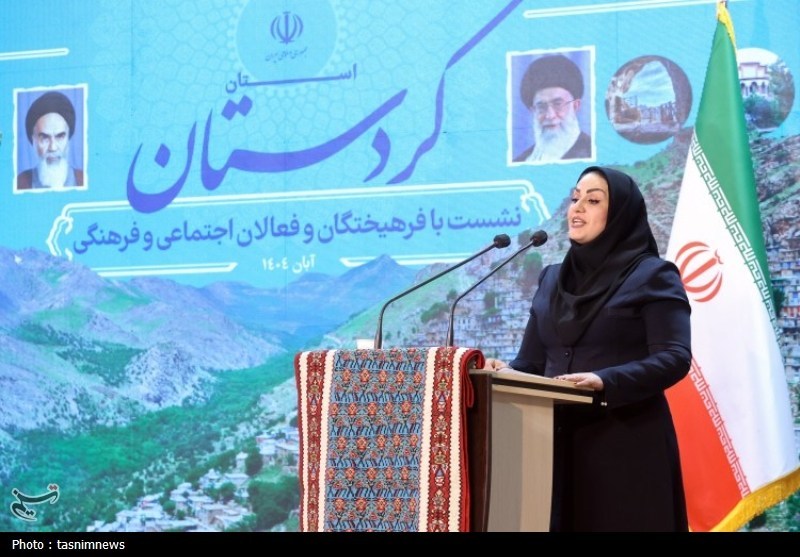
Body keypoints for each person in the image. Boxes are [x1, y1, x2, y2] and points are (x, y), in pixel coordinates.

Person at [483, 166, 691, 532]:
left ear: (620, 214)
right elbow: (531, 363)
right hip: (549, 446)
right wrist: (504, 372)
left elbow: (674, 357)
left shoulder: (654, 275)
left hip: (625, 445)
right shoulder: (551, 279)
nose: (577, 208)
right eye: (575, 197)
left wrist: (605, 380)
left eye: (593, 201)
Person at [513, 54, 592, 163]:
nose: (550, 115)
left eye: (558, 104)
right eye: (541, 107)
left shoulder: (592, 151)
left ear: (575, 106)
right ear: (533, 111)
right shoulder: (521, 161)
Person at [17, 90, 84, 190]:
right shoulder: (20, 183)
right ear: (33, 140)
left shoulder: (83, 179)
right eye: (44, 137)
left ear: (68, 138)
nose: (53, 147)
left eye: (60, 136)